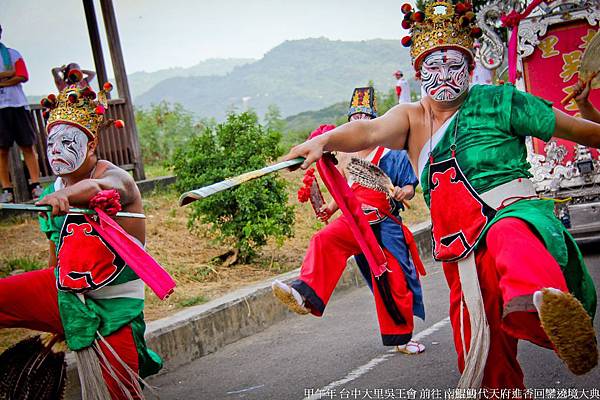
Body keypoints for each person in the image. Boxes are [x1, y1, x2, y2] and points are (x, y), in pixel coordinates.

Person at [284, 0, 599, 390]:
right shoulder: (411, 118)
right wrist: (325, 140)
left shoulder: (504, 101)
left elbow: (590, 135)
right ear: (419, 73)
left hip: (515, 218)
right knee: (483, 364)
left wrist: (586, 106)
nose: (445, 74)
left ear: (470, 69)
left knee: (509, 235)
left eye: (455, 65)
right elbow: (366, 132)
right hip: (460, 254)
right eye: (434, 66)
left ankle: (542, 305)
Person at [0, 77, 162, 399]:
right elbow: (55, 254)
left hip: (116, 304)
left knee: (120, 394)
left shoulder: (117, 178)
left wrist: (71, 195)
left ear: (90, 145)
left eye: (68, 142)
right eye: (51, 143)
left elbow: (98, 190)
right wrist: (54, 315)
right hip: (63, 292)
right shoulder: (52, 192)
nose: (57, 151)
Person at [273, 87, 426, 353]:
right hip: (356, 221)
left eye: (364, 118)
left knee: (393, 282)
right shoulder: (345, 156)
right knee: (325, 239)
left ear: (373, 121)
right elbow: (347, 190)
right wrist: (329, 209)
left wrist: (404, 191)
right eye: (354, 119)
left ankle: (401, 338)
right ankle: (305, 292)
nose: (359, 124)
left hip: (385, 224)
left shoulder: (391, 153)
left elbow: (410, 187)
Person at [0, 24, 43, 202]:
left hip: (18, 105)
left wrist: (2, 80)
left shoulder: (12, 54)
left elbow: (23, 75)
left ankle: (36, 185)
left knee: (27, 146)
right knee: (2, 150)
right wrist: (9, 75)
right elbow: (15, 75)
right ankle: (7, 190)